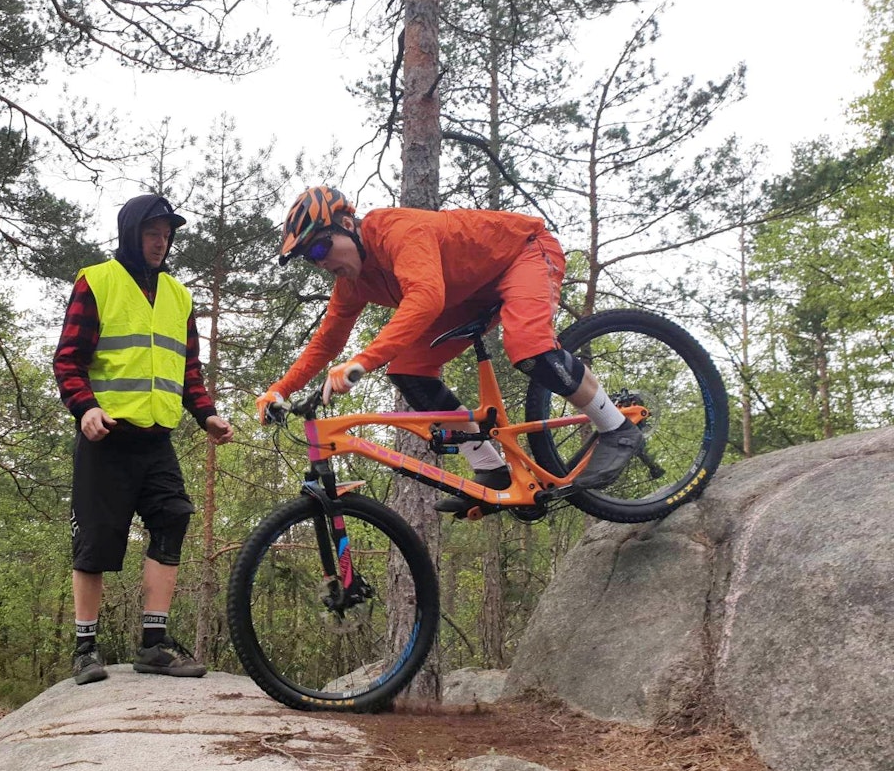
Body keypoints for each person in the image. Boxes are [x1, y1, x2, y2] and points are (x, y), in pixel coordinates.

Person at [256, 186, 643, 511]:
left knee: (528, 347)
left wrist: (362, 361)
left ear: (345, 225)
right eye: (310, 259)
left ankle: (617, 428)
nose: (320, 263)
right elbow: (327, 340)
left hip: (520, 255)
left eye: (321, 250)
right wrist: (280, 390)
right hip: (467, 295)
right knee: (408, 371)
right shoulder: (353, 282)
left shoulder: (395, 231)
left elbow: (425, 297)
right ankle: (492, 469)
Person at [54, 194, 234, 685]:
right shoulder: (98, 281)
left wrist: (208, 416)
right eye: (153, 233)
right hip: (106, 436)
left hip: (157, 439)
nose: (162, 241)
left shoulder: (179, 296)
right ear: (131, 233)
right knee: (94, 544)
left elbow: (188, 369)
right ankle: (85, 649)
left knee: (173, 518)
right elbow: (67, 360)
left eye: (168, 233)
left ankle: (154, 645)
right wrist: (85, 407)